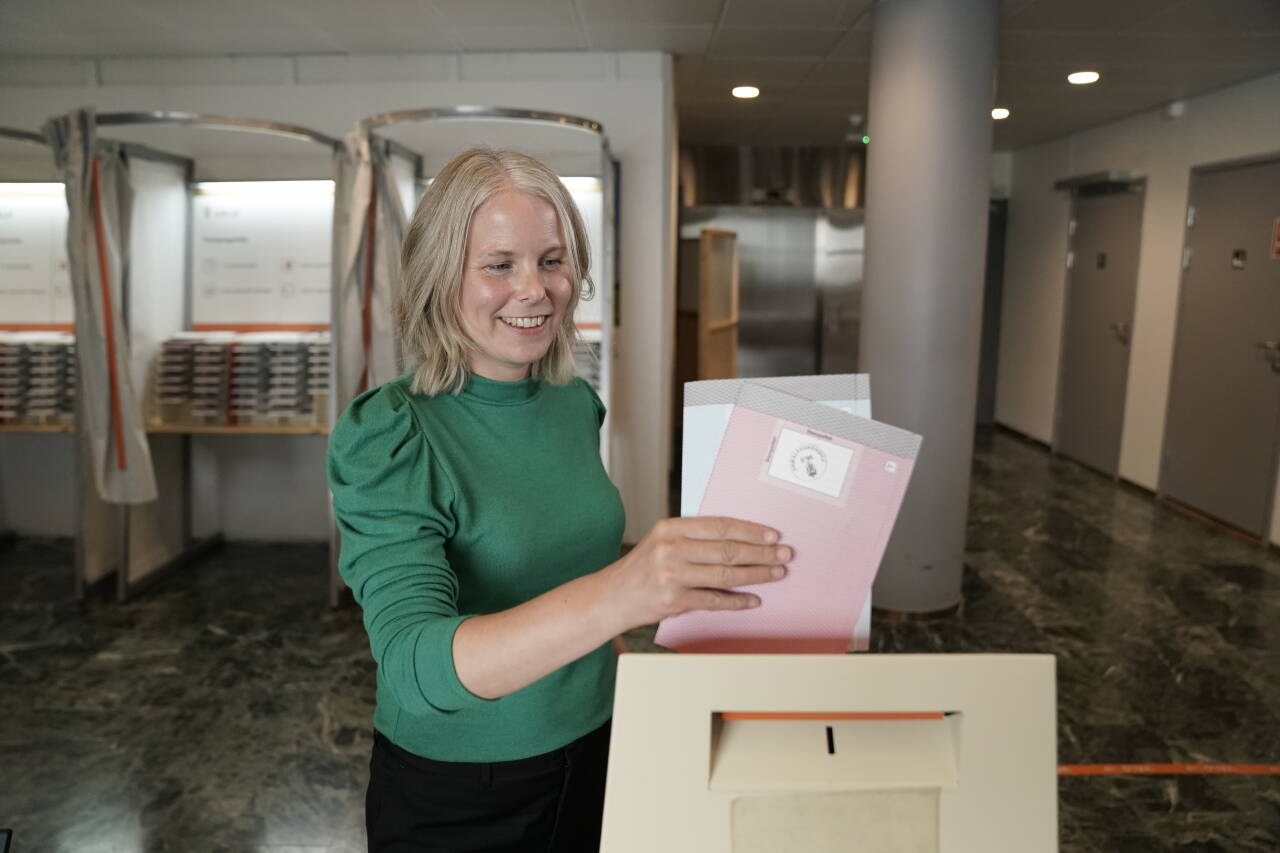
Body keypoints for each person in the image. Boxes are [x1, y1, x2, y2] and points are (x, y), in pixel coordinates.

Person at [326, 147, 791, 853]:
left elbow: (564, 556)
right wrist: (624, 592)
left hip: (599, 741)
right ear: (439, 276)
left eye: (553, 260)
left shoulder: (572, 402)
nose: (536, 289)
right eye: (499, 264)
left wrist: (621, 636)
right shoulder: (392, 431)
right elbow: (414, 665)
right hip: (464, 791)